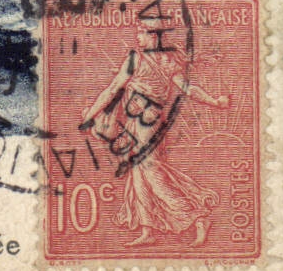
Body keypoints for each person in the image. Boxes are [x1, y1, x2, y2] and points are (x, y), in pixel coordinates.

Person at [78, 15, 231, 247]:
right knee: (139, 172)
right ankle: (148, 229)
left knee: (150, 171)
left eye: (141, 33)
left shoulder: (158, 61)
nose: (137, 37)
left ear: (154, 36)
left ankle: (197, 217)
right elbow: (113, 89)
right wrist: (91, 115)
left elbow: (187, 89)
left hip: (147, 123)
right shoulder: (148, 59)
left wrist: (214, 102)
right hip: (135, 121)